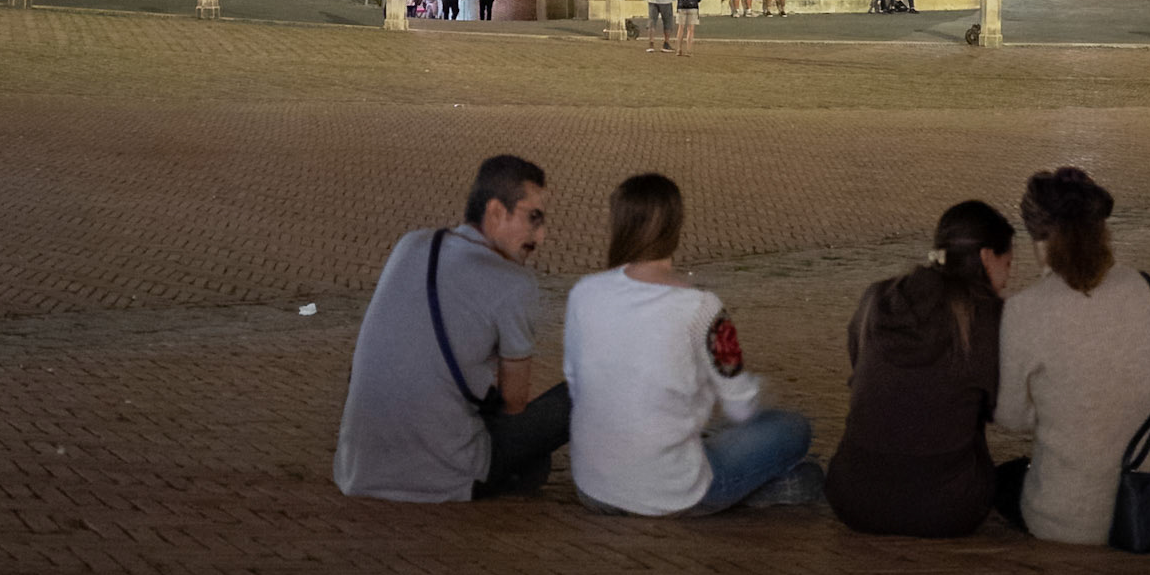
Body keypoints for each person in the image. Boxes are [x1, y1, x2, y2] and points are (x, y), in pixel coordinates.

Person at [563, 173, 819, 515]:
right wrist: (762, 396)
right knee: (792, 429)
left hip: (592, 485)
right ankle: (768, 486)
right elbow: (741, 405)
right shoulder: (701, 308)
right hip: (671, 490)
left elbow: (576, 385)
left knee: (711, 432)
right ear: (676, 227)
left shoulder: (584, 293)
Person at [336, 154, 570, 502]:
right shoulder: (514, 283)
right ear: (494, 213)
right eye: (532, 218)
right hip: (448, 473)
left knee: (528, 459)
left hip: (359, 470)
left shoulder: (412, 244)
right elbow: (514, 402)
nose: (541, 235)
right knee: (587, 387)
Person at [994, 167, 1150, 544]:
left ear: (1039, 240)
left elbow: (1011, 416)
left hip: (1071, 520)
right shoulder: (1148, 288)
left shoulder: (1023, 310)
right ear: (1104, 230)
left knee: (1003, 481)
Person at [826, 201, 1014, 537]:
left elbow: (859, 371)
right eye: (1007, 264)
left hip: (853, 500)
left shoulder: (876, 298)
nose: (1006, 279)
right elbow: (998, 407)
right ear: (987, 257)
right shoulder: (987, 316)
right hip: (949, 510)